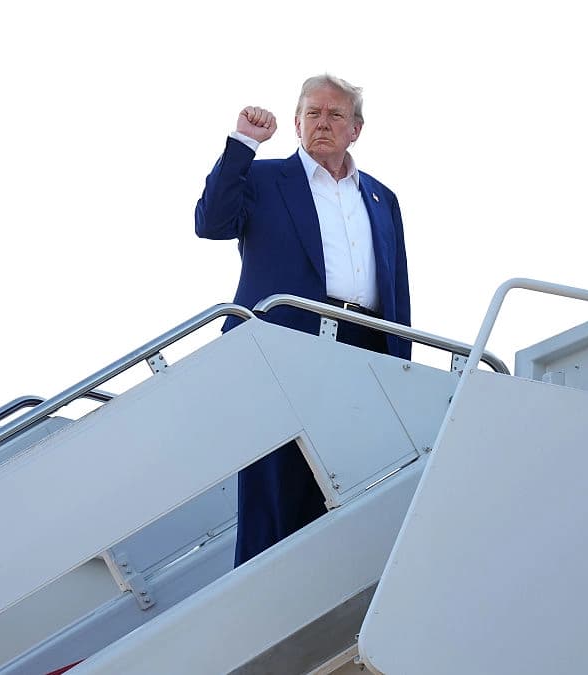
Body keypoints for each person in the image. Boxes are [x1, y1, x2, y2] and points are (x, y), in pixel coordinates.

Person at [195, 74, 411, 566]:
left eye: (335, 115)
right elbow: (212, 222)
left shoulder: (381, 197)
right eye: (313, 114)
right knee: (273, 483)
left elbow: (396, 285)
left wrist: (402, 366)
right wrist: (243, 142)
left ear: (356, 128)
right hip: (284, 342)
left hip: (362, 347)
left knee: (348, 474)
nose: (323, 124)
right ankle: (259, 594)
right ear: (296, 123)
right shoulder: (264, 177)